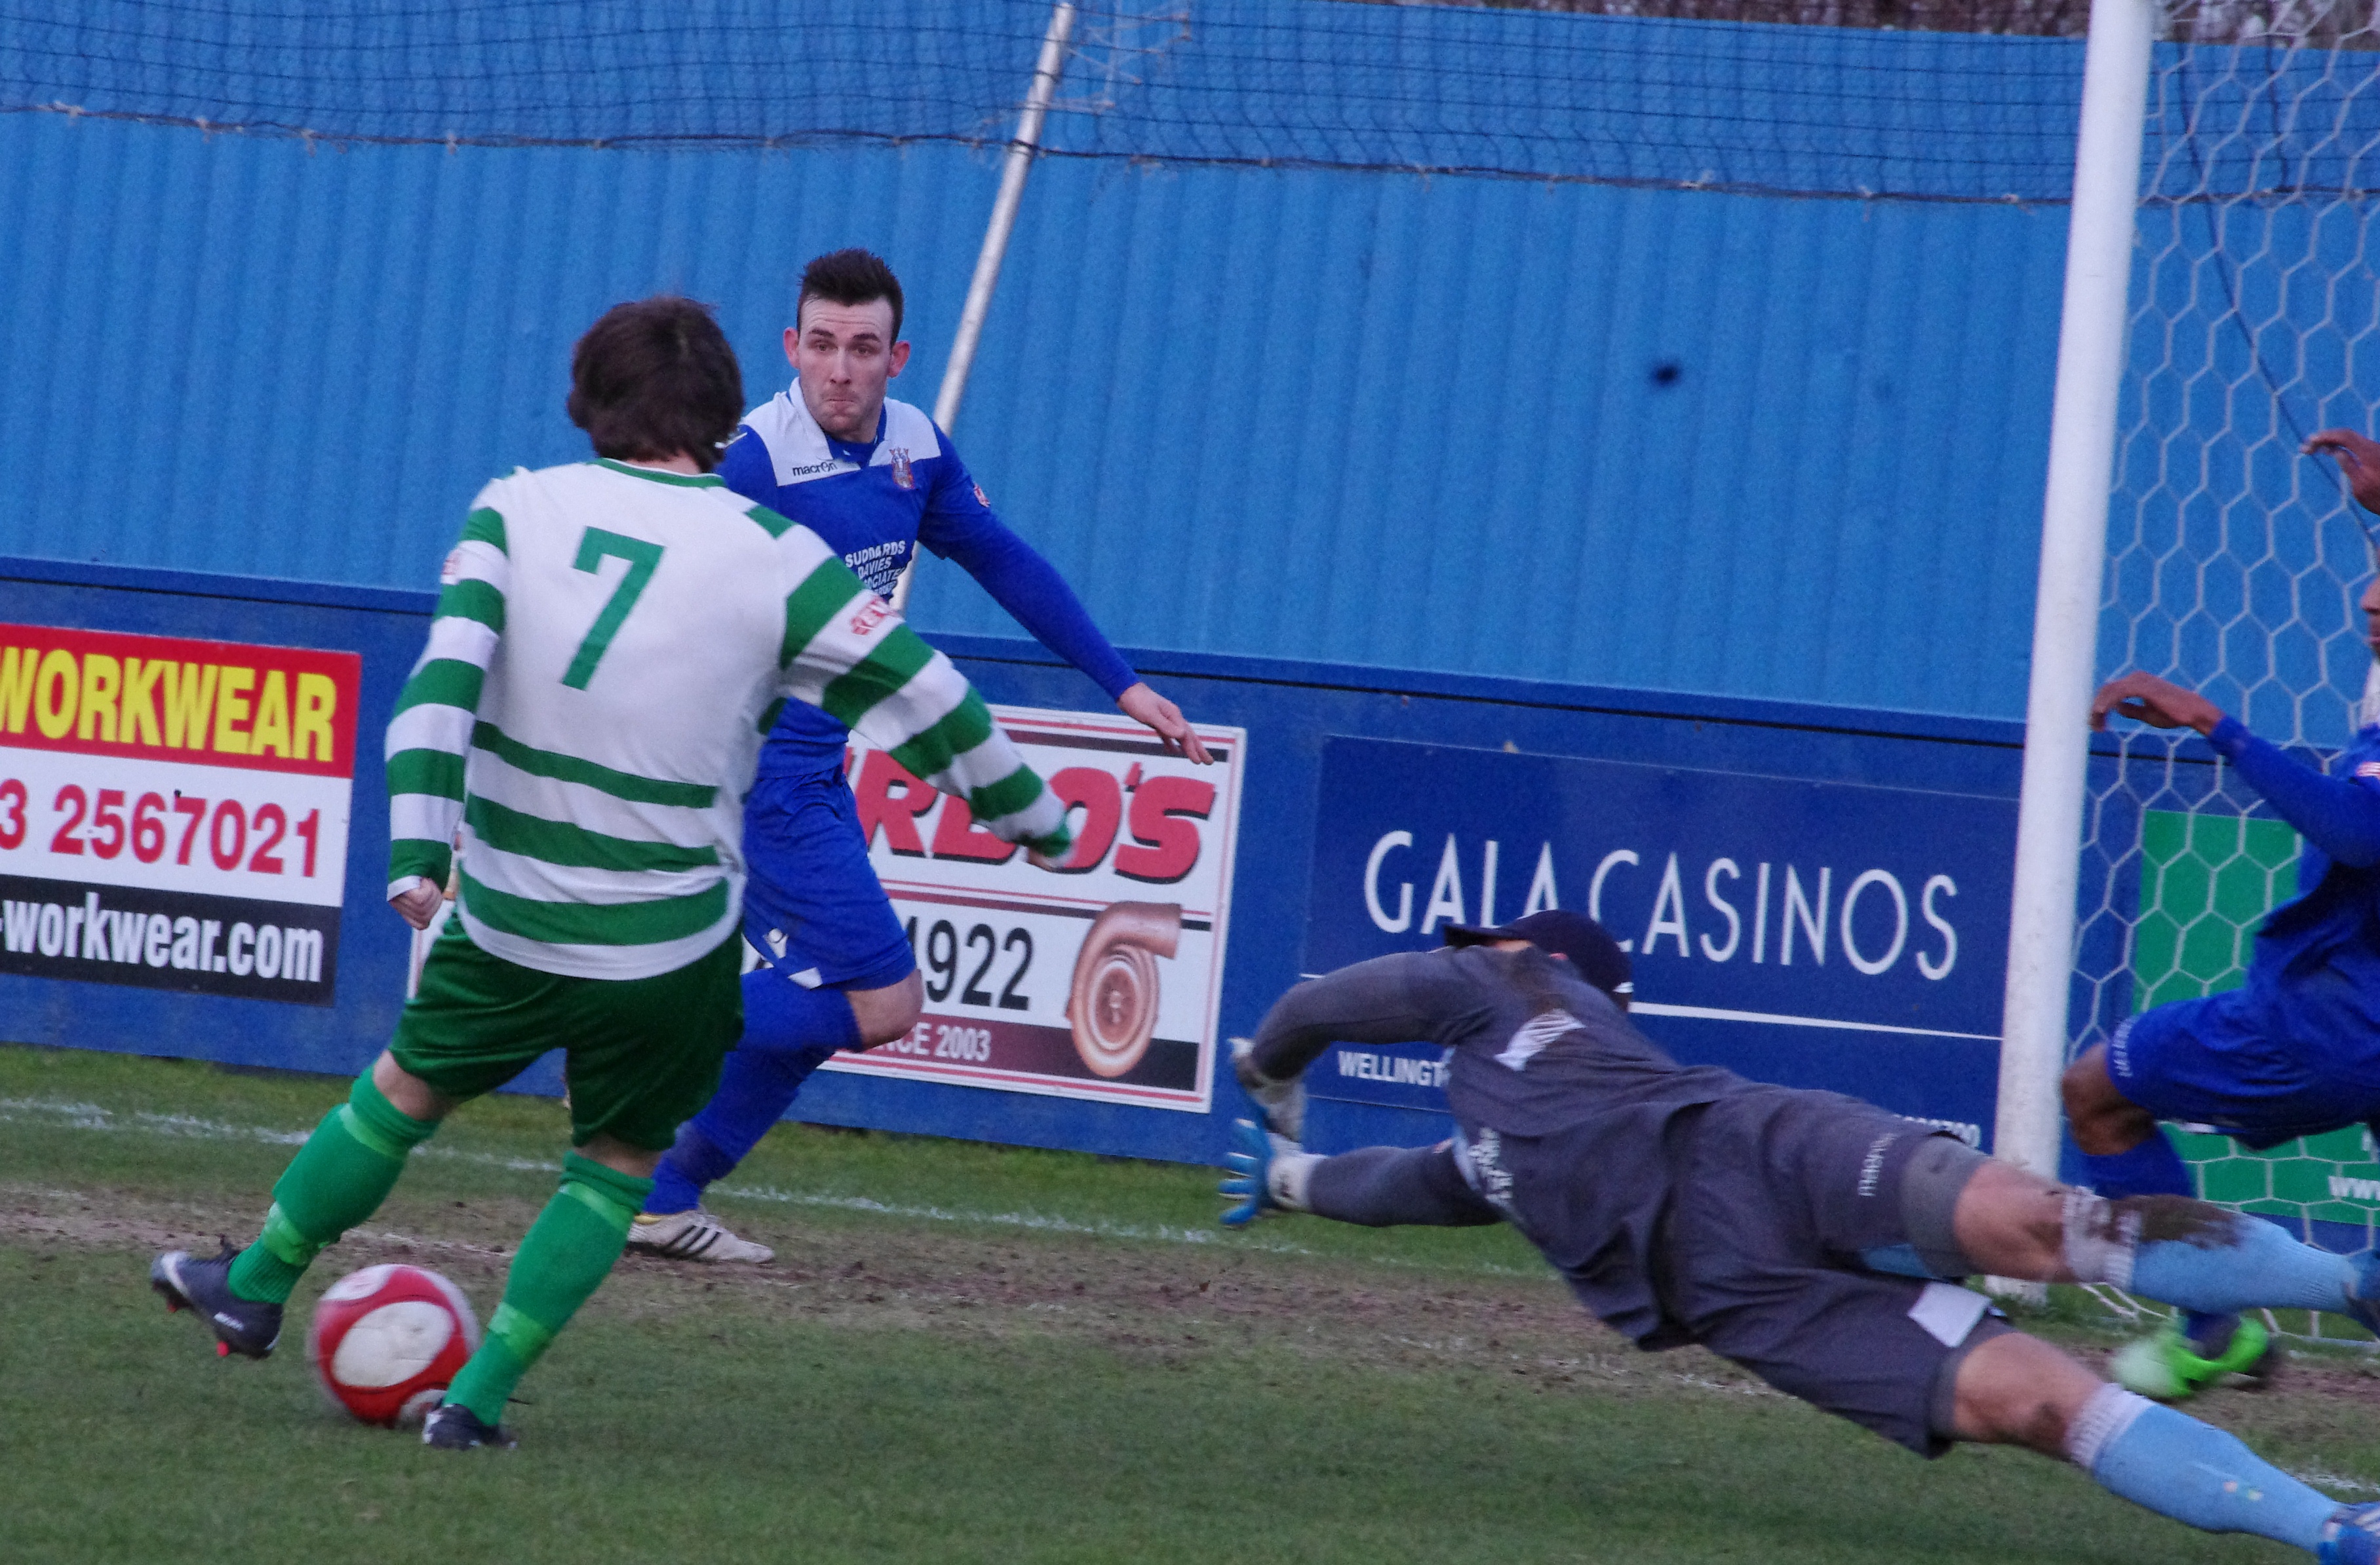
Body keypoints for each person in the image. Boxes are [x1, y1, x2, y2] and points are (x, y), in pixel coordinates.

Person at [148, 296, 1074, 1449]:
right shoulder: (780, 556)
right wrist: (1032, 816)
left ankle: (259, 1281)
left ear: (589, 398)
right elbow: (927, 697)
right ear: (727, 420)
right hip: (669, 943)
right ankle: (473, 1405)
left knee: (397, 1101)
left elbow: (441, 689)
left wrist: (419, 851)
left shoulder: (516, 508)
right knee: (612, 1170)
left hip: (512, 916)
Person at [1222, 910, 2380, 1564]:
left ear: (1559, 969)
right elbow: (1405, 1185)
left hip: (1752, 1149)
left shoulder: (1510, 982)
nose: (1465, 950)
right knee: (2035, 1406)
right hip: (1742, 1298)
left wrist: (1267, 1077)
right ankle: (2328, 1530)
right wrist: (1291, 1177)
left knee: (2040, 1226)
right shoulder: (1492, 1150)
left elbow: (1317, 1008)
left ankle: (2350, 1284)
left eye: (1484, 941)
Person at [626, 248, 1212, 1264]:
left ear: (897, 358)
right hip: (755, 774)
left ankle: (664, 1192)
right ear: (790, 349)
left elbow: (1003, 559)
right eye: (821, 346)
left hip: (817, 766)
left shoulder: (917, 449)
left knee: (829, 1003)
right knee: (882, 998)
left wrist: (1122, 682)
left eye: (862, 349)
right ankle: (642, 1013)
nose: (840, 371)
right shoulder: (752, 459)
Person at [2062, 423, 2380, 1401]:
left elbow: (2361, 835)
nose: (2369, 597)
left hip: (2335, 1024)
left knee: (2096, 1095)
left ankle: (2212, 1330)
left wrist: (2214, 723)